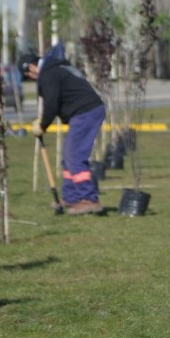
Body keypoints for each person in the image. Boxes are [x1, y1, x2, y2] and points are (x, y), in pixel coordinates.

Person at [18, 43, 106, 216]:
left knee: (75, 154)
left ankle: (88, 199)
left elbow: (51, 104)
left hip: (86, 112)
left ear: (31, 67)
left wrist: (42, 125)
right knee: (69, 154)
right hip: (85, 111)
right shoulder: (57, 67)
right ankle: (72, 196)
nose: (31, 79)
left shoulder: (48, 74)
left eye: (28, 75)